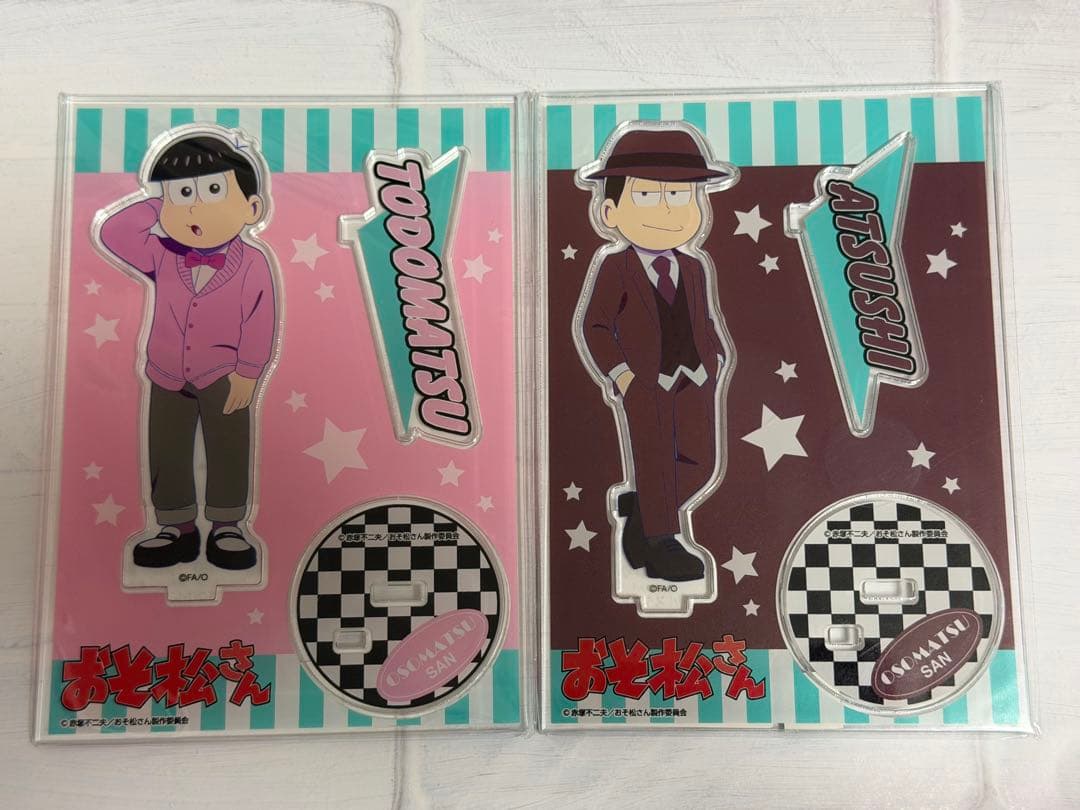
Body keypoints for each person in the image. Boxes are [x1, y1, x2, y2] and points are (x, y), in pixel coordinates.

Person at [95, 127, 277, 571]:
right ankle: (175, 525)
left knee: (229, 444)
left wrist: (249, 372)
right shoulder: (162, 253)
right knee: (167, 446)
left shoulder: (253, 262)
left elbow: (261, 318)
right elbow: (114, 232)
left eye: (213, 191)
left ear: (252, 209)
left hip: (224, 374)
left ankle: (227, 525)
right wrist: (160, 200)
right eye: (182, 195)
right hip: (166, 372)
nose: (195, 207)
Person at [576, 123, 736, 582]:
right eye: (647, 196)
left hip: (696, 378)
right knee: (654, 457)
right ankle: (664, 541)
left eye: (681, 196)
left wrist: (717, 357)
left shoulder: (694, 267)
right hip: (644, 383)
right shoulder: (616, 267)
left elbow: (704, 318)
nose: (667, 210)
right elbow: (594, 326)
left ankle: (641, 509)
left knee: (701, 463)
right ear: (610, 211)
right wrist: (621, 375)